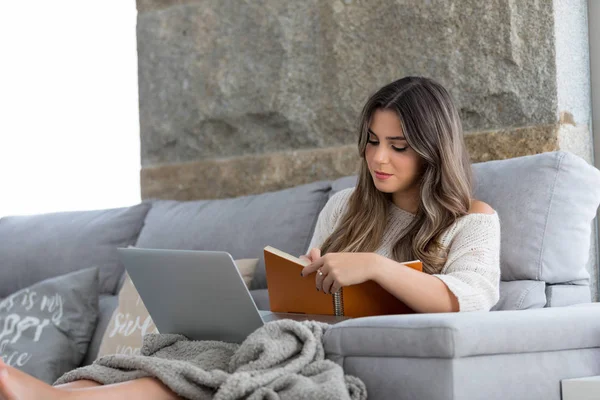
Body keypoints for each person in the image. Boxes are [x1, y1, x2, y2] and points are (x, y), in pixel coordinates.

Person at [0, 76, 500, 400]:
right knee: (186, 350)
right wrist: (306, 280)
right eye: (372, 141)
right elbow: (297, 311)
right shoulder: (344, 208)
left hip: (318, 352)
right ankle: (65, 393)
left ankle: (53, 399)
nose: (378, 159)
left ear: (434, 150)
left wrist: (373, 265)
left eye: (399, 146)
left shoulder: (471, 219)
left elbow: (470, 301)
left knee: (211, 368)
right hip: (293, 333)